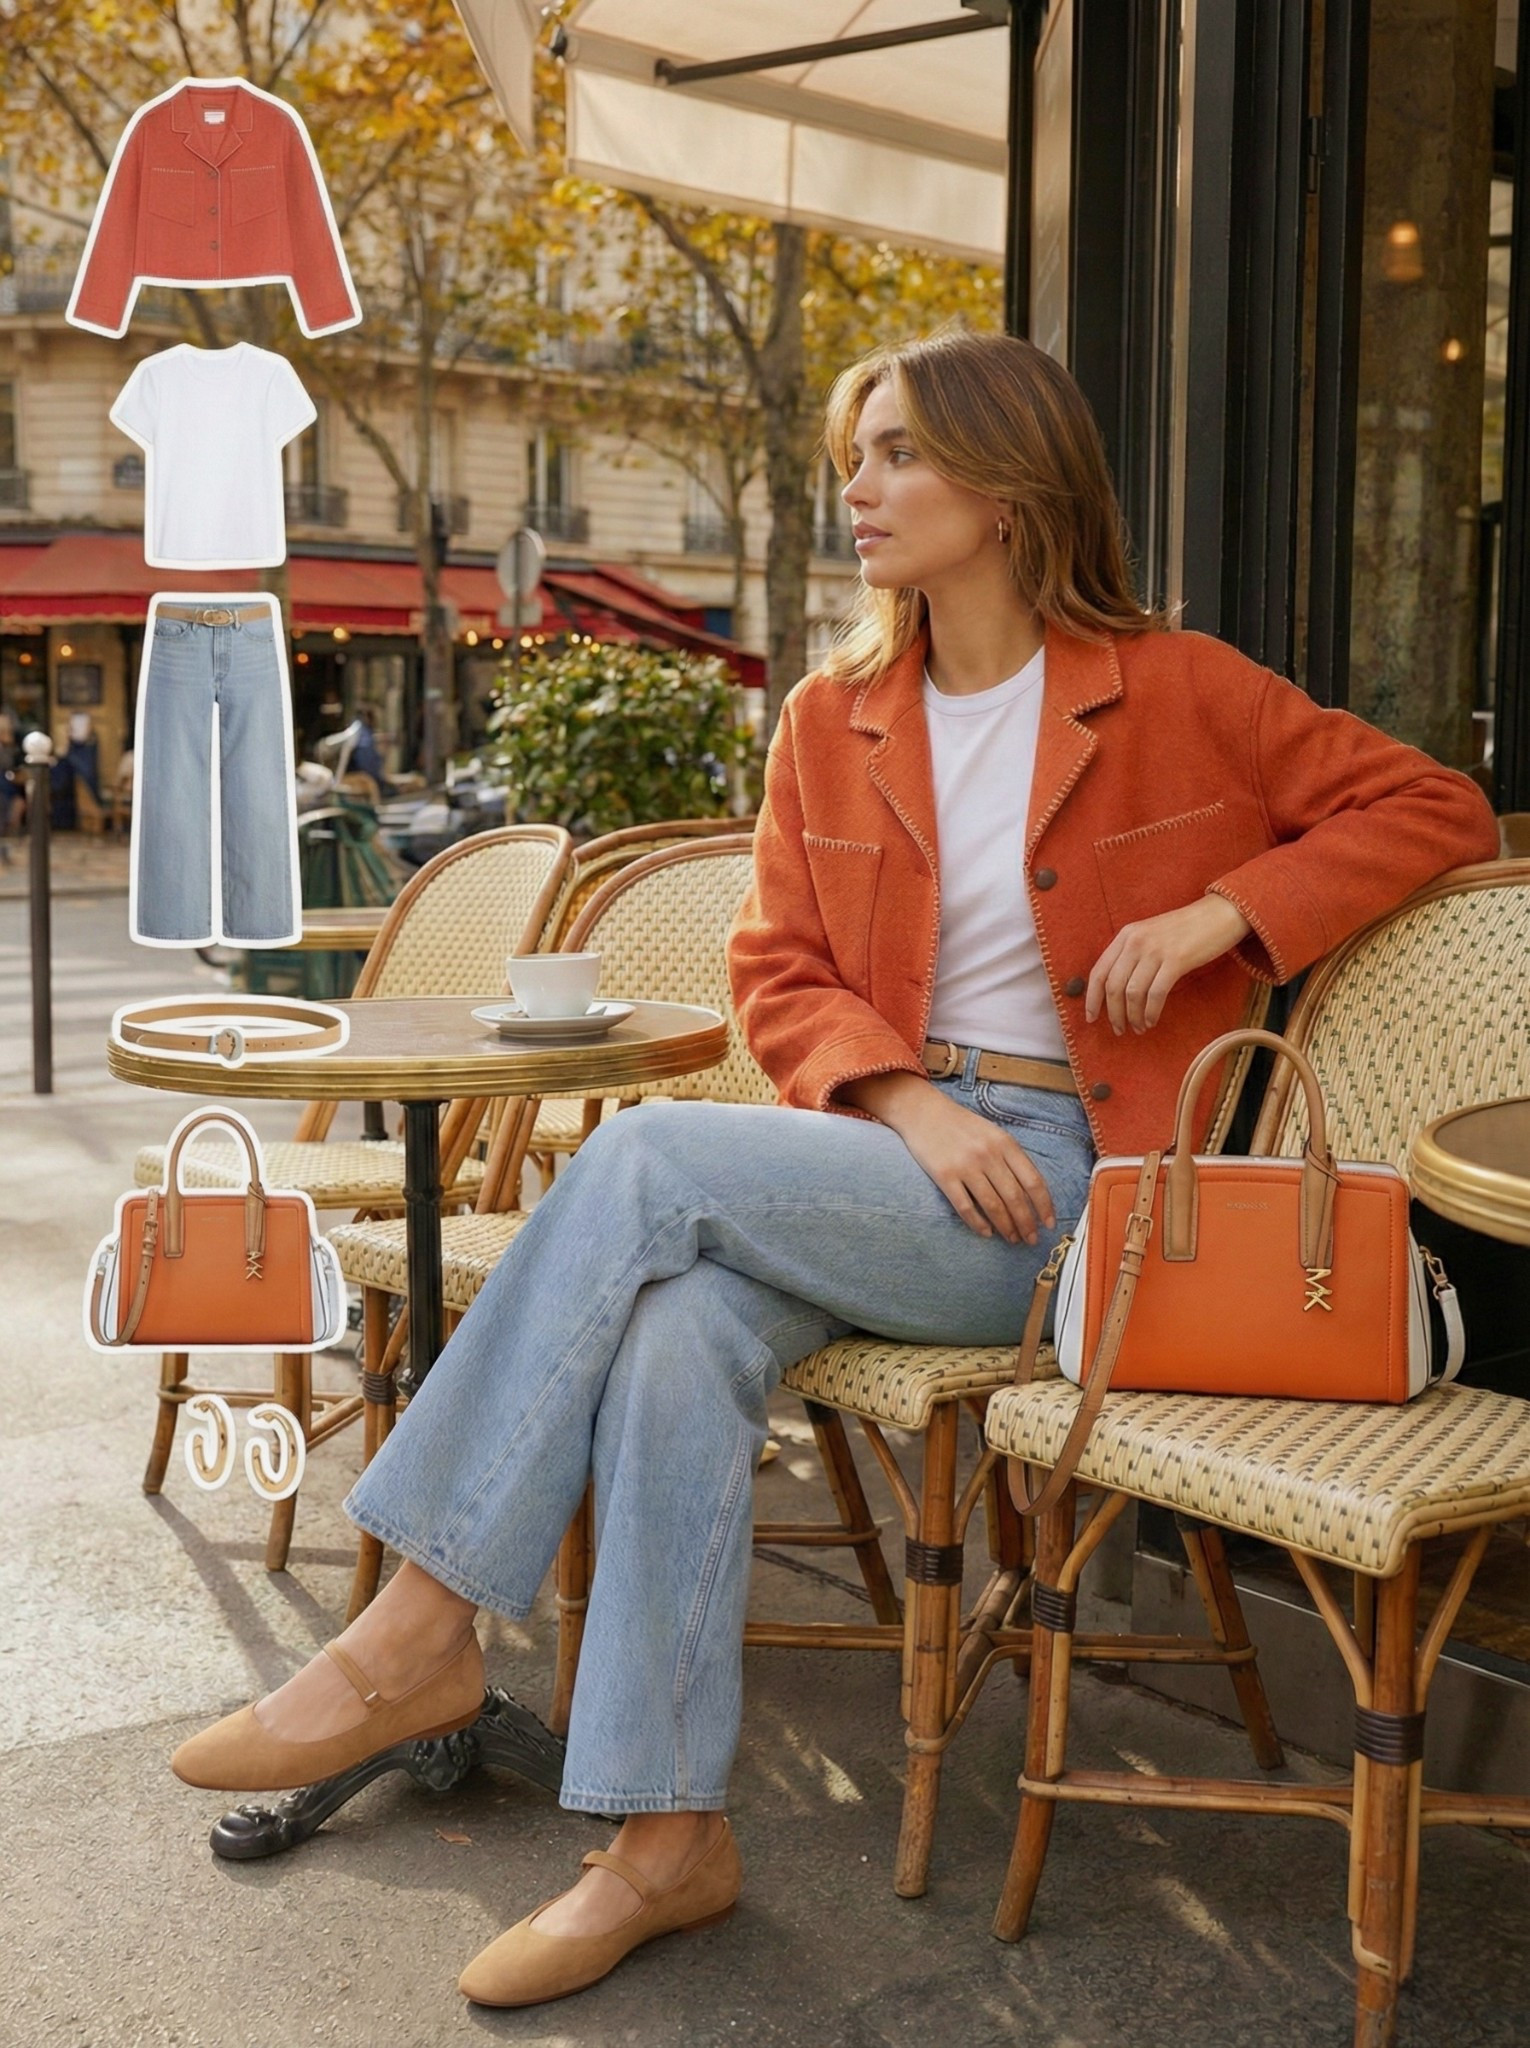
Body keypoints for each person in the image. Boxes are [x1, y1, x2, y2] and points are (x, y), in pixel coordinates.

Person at [170, 330, 1498, 2008]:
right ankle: (665, 1845)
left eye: (893, 458)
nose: (854, 492)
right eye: (848, 459)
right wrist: (898, 1101)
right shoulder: (833, 715)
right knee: (676, 1336)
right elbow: (778, 968)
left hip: (1081, 1195)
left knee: (649, 1165)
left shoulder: (1179, 691)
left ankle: (419, 1628)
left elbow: (1433, 808)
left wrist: (1227, 909)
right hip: (889, 1152)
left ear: (1009, 491)